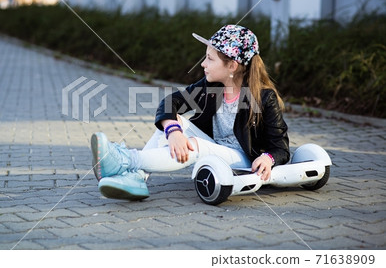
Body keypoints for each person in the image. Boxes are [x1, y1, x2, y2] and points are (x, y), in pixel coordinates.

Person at [91, 25, 289, 201]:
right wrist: (174, 131)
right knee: (173, 120)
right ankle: (136, 178)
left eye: (210, 59)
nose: (203, 64)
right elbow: (171, 102)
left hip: (243, 158)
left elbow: (281, 147)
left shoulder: (264, 98)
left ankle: (125, 161)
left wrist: (268, 159)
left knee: (194, 145)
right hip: (213, 146)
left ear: (231, 66)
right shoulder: (212, 86)